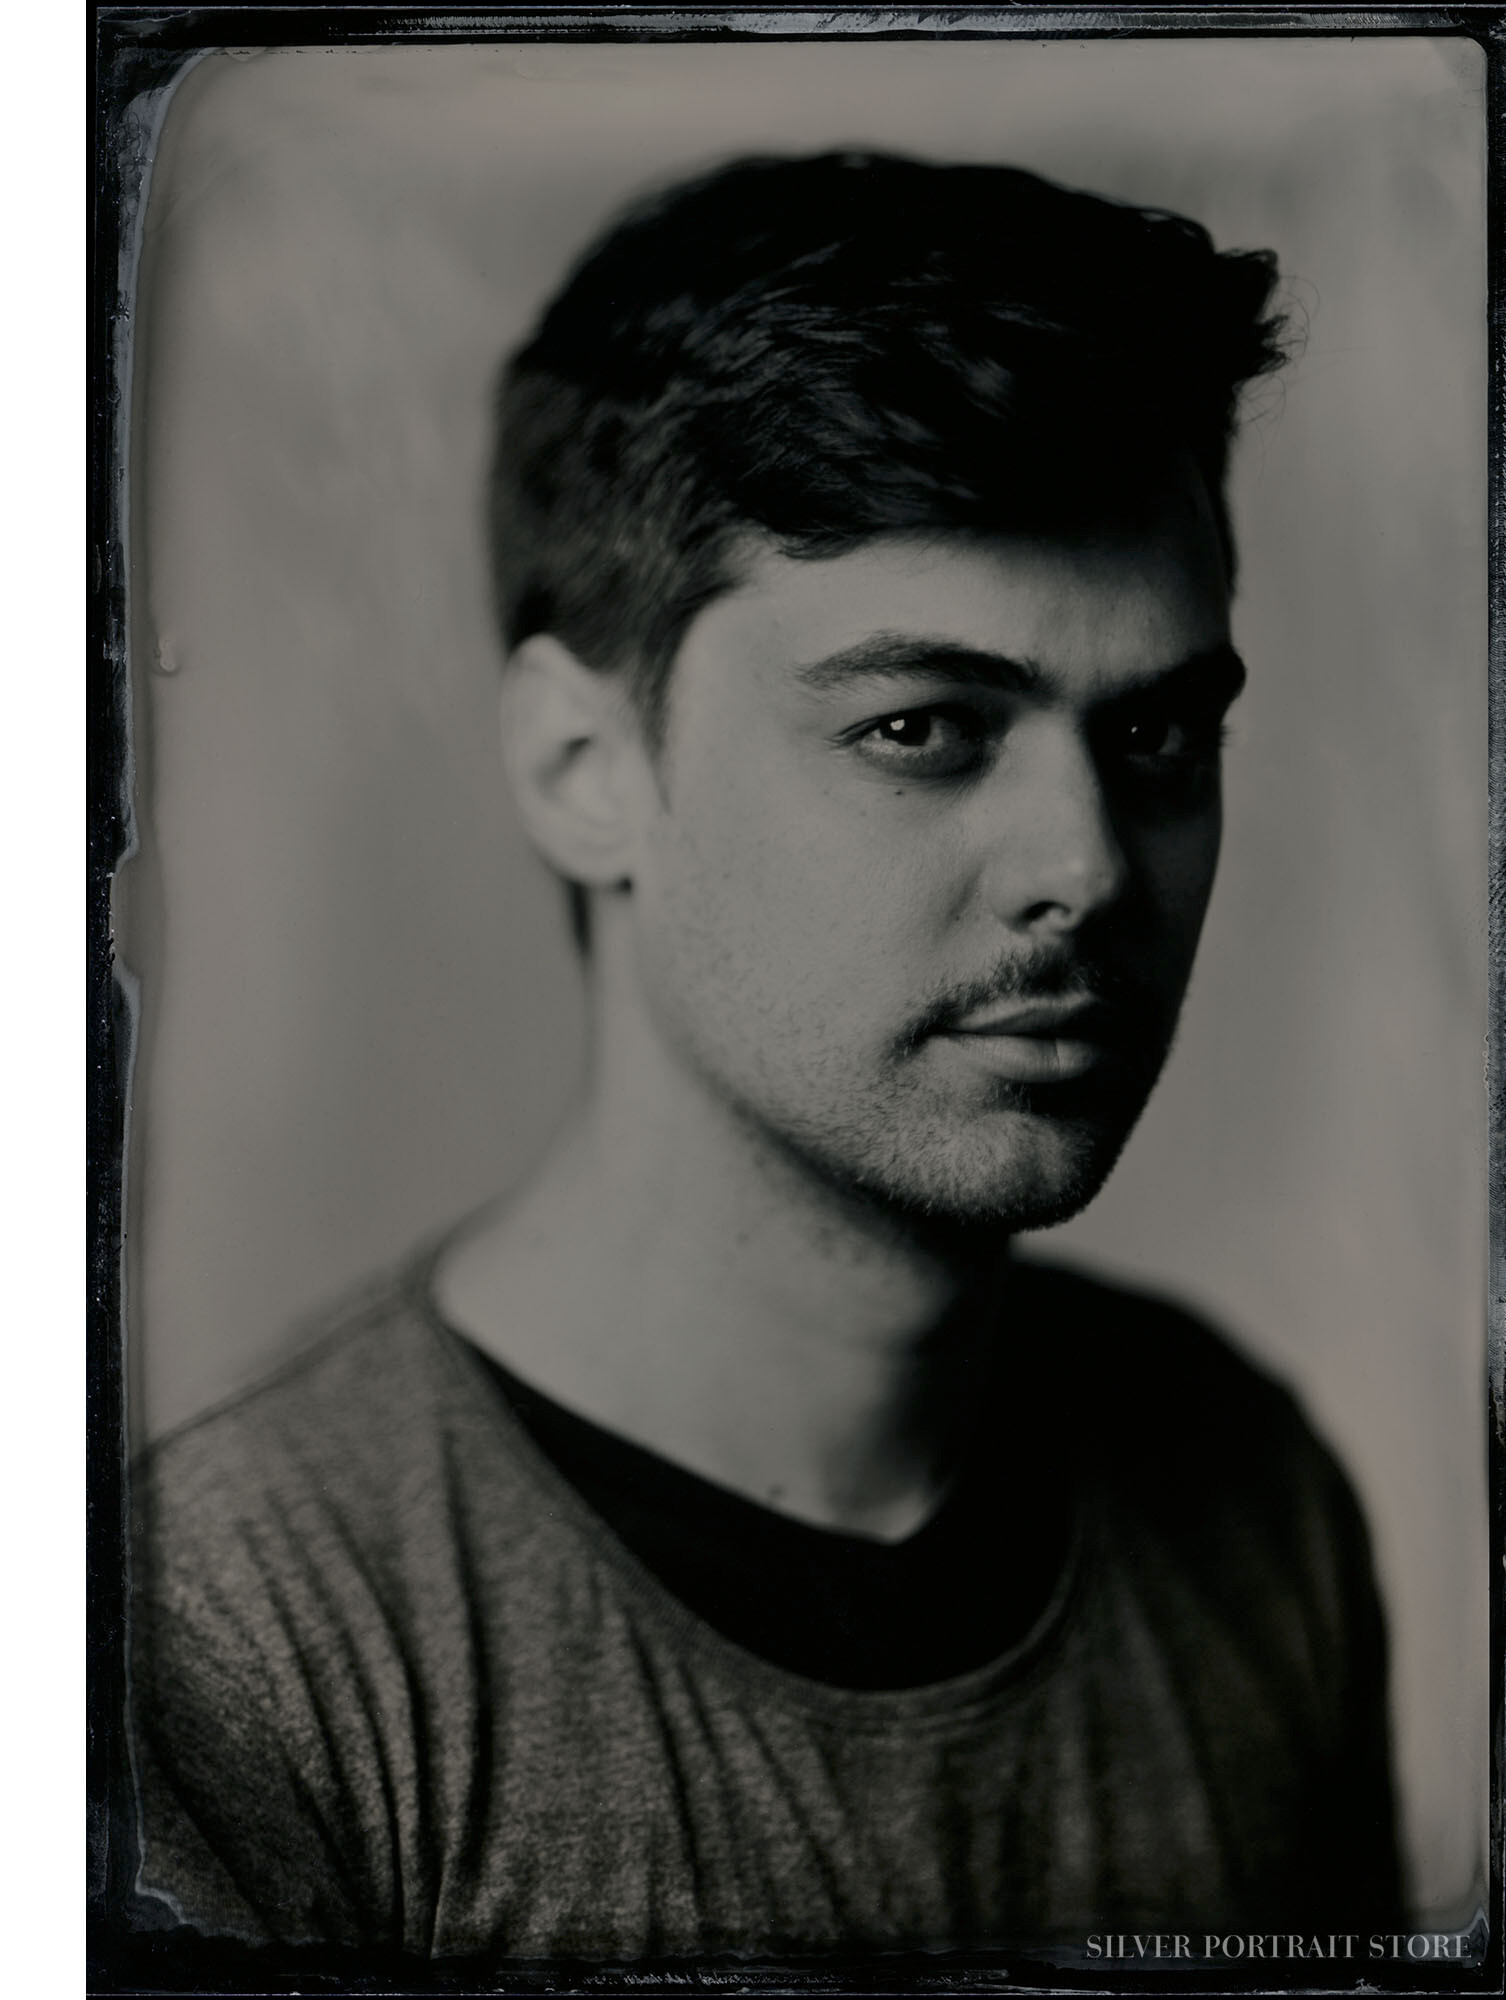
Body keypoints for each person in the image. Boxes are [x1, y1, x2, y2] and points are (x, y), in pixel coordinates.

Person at [130, 150, 1404, 1965]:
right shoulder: (219, 1656)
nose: (1090, 865)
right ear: (586, 770)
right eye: (921, 727)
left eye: (1156, 735)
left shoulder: (1247, 1485)